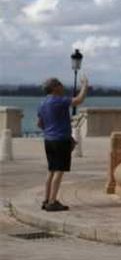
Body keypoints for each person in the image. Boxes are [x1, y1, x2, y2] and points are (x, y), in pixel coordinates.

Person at [36, 75, 88, 212]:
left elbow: (39, 124)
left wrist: (50, 131)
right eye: (60, 84)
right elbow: (79, 100)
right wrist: (84, 85)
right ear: (54, 88)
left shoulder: (42, 103)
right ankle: (53, 202)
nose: (62, 86)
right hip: (60, 141)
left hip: (49, 140)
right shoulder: (59, 101)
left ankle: (46, 199)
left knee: (51, 170)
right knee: (59, 171)